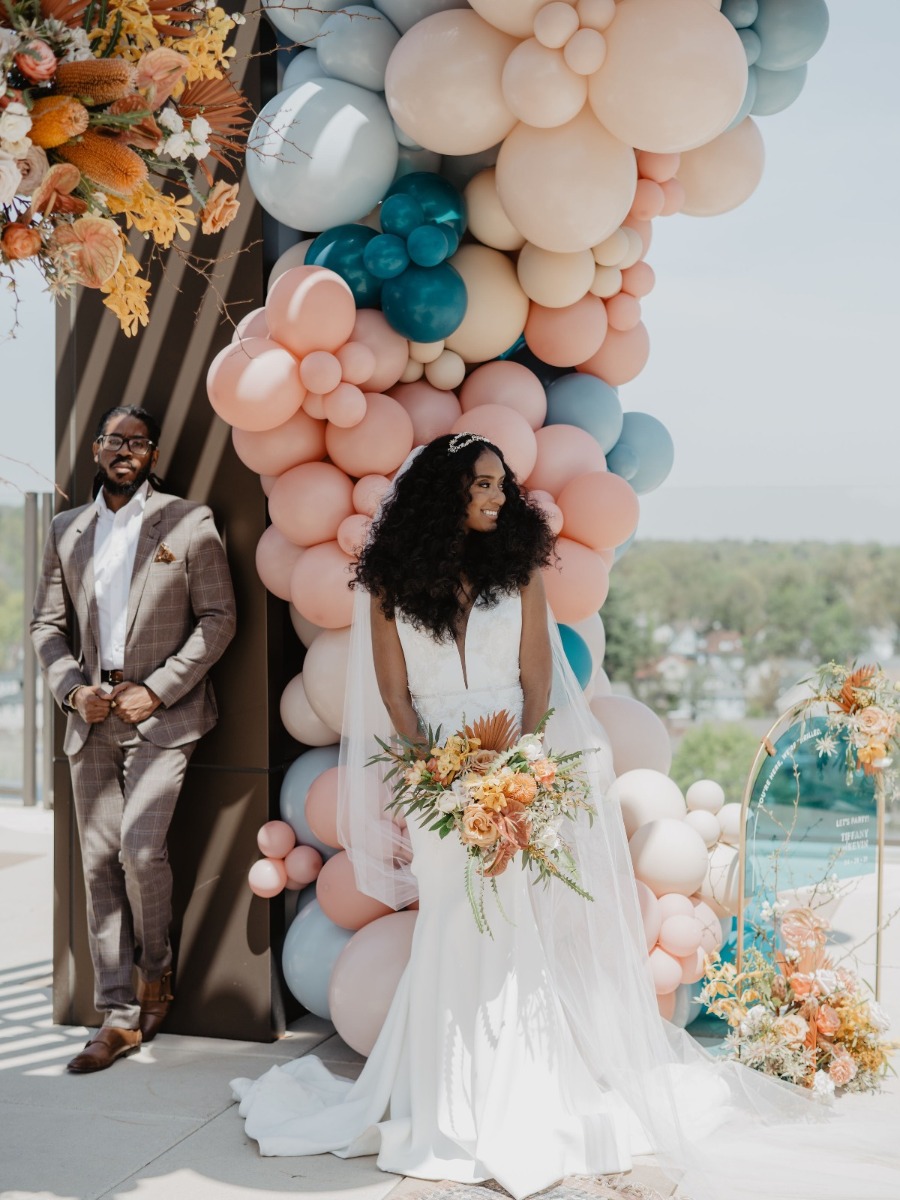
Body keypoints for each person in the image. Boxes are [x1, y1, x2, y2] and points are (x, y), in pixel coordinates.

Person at [233, 434, 898, 1200]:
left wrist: (511, 770)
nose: (494, 497)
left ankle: (525, 1092)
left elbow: (536, 682)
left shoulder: (518, 576)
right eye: (480, 485)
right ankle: (445, 1098)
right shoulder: (387, 583)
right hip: (434, 780)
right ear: (441, 493)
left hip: (517, 768)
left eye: (498, 485)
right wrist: (437, 775)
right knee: (451, 922)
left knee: (511, 926)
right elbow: (394, 696)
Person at [31, 404, 236, 1074]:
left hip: (163, 714)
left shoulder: (189, 520)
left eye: (136, 442)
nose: (123, 450)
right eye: (112, 440)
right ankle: (115, 1015)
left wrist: (160, 687)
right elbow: (46, 626)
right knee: (97, 865)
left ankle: (157, 976)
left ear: (151, 453)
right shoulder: (66, 529)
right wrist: (71, 689)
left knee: (142, 852)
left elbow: (217, 618)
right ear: (96, 449)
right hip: (90, 715)